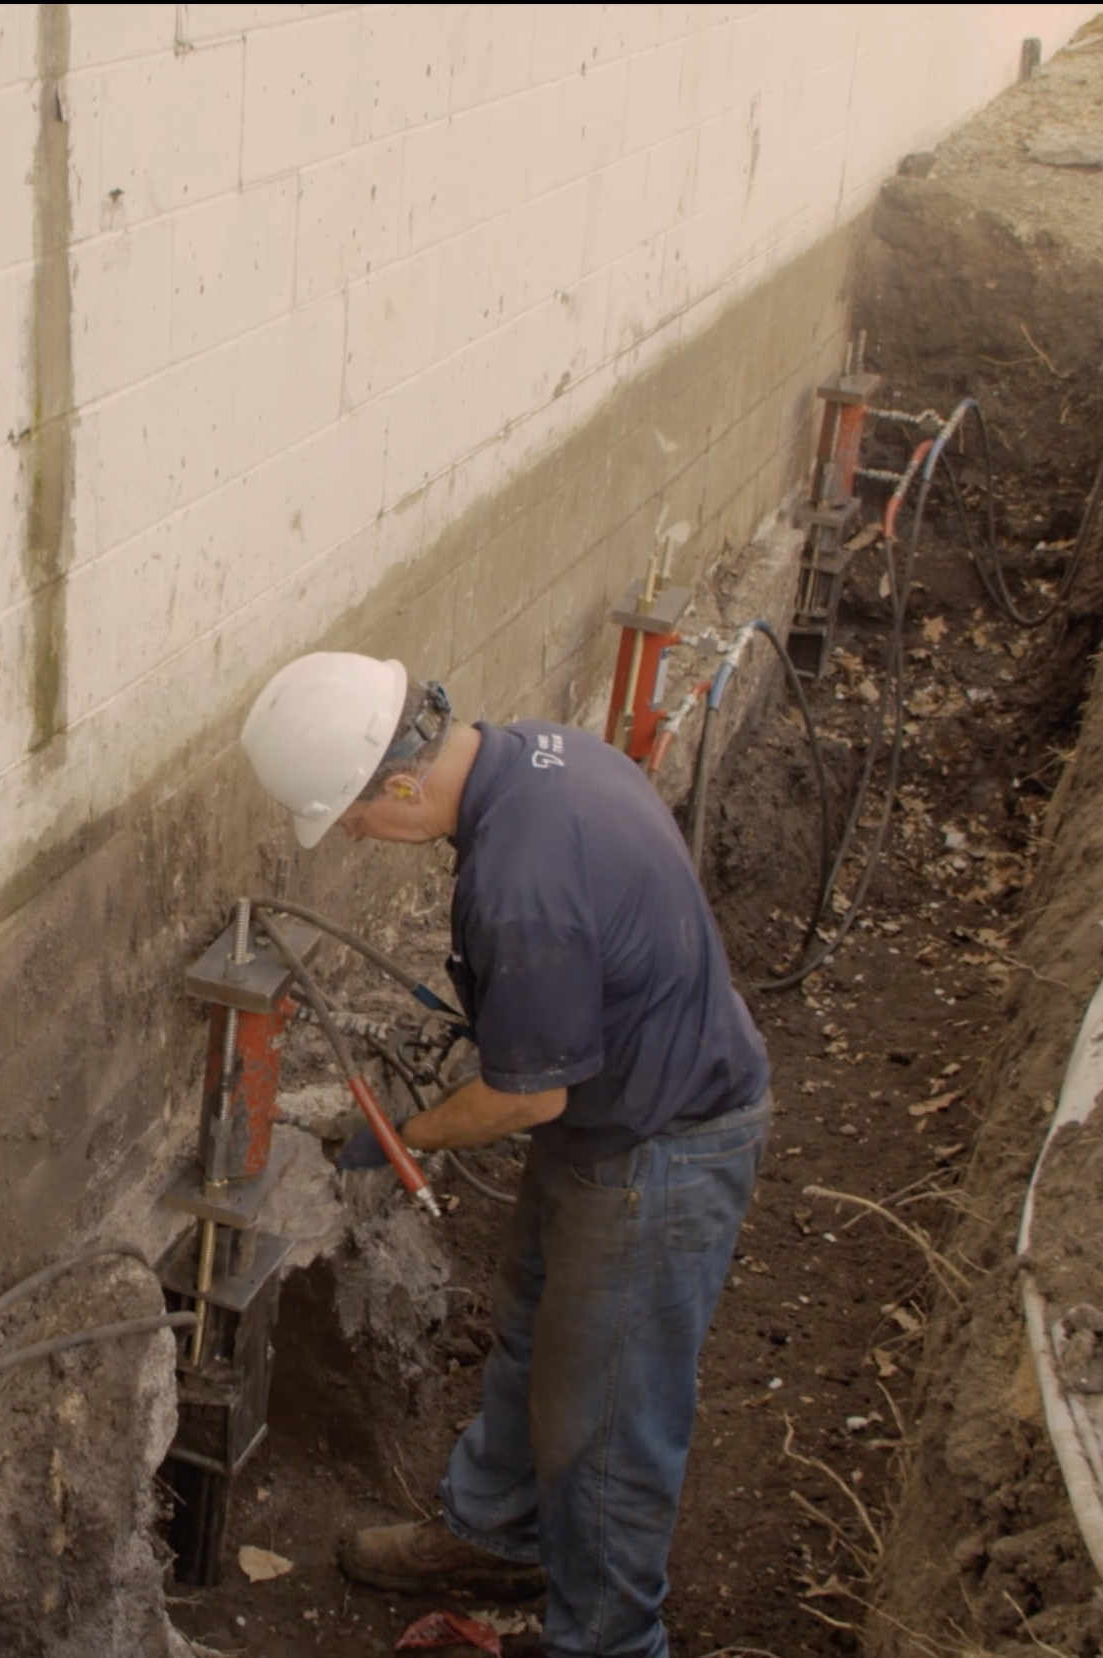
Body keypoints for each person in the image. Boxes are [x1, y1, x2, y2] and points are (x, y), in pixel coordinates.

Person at [240, 652, 771, 1658]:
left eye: (351, 814)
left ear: (399, 780)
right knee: (536, 1330)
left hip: (663, 1146)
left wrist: (403, 1135)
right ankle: (497, 1533)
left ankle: (609, 1638)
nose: (355, 832)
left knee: (609, 1408)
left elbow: (530, 1092)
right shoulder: (538, 753)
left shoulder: (519, 881)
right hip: (624, 1113)